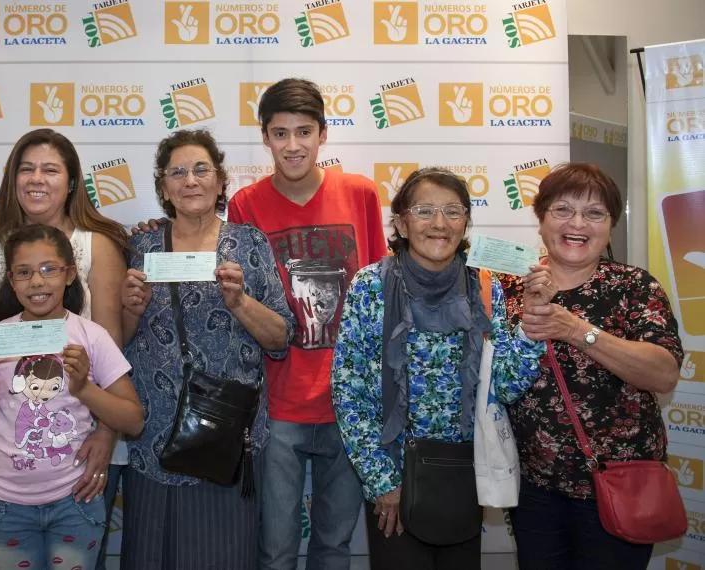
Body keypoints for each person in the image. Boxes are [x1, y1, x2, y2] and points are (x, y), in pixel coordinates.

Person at [330, 167, 550, 569]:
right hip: (394, 475)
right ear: (401, 222)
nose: (438, 223)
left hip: (464, 474)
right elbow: (350, 391)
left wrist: (533, 324)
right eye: (425, 210)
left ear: (466, 221)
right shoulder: (370, 286)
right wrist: (383, 482)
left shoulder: (483, 285)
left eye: (452, 211)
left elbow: (503, 385)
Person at [229, 77, 387, 570]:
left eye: (304, 132)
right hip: (279, 404)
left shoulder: (360, 194)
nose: (292, 145)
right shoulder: (245, 205)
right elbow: (244, 304)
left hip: (348, 402)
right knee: (275, 551)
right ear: (265, 137)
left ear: (323, 133)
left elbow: (379, 295)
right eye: (280, 133)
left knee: (333, 547)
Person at [120, 129, 294, 570]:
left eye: (201, 170)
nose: (190, 180)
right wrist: (132, 309)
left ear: (220, 182)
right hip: (154, 436)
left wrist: (239, 302)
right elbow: (117, 340)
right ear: (163, 187)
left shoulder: (249, 243)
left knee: (223, 554)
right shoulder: (141, 245)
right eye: (177, 172)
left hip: (225, 435)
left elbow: (280, 338)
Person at [0, 129, 129, 533]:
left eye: (50, 169)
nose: (36, 179)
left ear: (72, 182)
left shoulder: (98, 245)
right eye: (26, 169)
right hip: (8, 436)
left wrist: (107, 435)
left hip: (83, 440)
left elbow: (112, 349)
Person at [500, 163, 683, 570]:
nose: (577, 223)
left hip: (622, 482)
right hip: (534, 488)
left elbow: (664, 373)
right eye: (562, 210)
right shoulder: (507, 288)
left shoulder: (635, 287)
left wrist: (576, 329)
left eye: (594, 213)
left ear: (611, 226)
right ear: (541, 218)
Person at [0, 224, 143, 570]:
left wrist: (83, 389)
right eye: (25, 272)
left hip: (74, 501)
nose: (37, 282)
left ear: (70, 274)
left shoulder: (91, 336)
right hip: (6, 503)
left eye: (49, 270)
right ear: (11, 281)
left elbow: (133, 420)